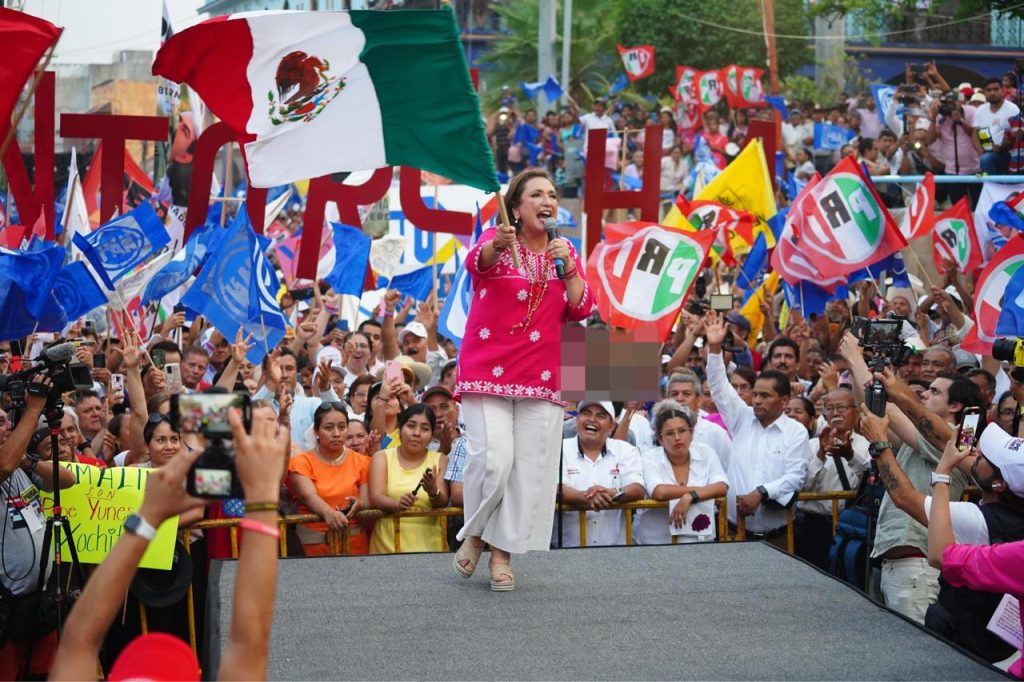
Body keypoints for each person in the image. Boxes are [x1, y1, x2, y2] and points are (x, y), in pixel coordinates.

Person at [49, 408, 292, 681]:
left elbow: (78, 642)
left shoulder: (198, 472)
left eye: (174, 439)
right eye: (161, 439)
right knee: (135, 630)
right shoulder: (130, 474)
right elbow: (247, 643)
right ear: (147, 446)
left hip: (183, 565)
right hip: (139, 574)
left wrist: (150, 519)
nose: (169, 445)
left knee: (183, 627)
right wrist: (263, 498)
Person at [453, 168, 595, 592]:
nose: (547, 201)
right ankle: (476, 532)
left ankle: (500, 555)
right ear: (515, 207)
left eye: (552, 194)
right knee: (494, 460)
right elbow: (476, 262)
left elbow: (582, 308)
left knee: (528, 470)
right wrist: (498, 244)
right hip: (487, 371)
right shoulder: (497, 241)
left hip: (543, 375)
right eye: (536, 194)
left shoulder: (565, 250)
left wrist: (569, 268)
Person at [705, 312, 808, 543]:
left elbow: (795, 477)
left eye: (765, 396)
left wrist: (762, 492)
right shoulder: (741, 418)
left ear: (784, 401)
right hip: (734, 532)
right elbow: (719, 386)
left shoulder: (796, 432)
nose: (757, 401)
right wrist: (714, 348)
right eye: (756, 395)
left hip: (778, 537)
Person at [928, 433, 1024, 679]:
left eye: (987, 458)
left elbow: (941, 555)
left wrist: (942, 473)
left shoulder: (1018, 556)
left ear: (999, 485)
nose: (978, 454)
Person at [0, 377, 76, 678]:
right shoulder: (6, 466)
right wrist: (34, 409)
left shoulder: (18, 467)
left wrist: (29, 463)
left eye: (6, 421)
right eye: (0, 422)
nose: (6, 427)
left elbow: (67, 480)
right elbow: (3, 466)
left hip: (37, 603)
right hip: (5, 608)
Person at [553, 401, 645, 547]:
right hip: (567, 550)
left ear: (611, 426)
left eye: (600, 416)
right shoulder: (559, 449)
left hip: (615, 550)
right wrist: (590, 497)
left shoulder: (626, 450)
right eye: (586, 413)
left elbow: (637, 488)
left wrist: (612, 493)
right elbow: (555, 488)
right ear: (577, 420)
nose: (592, 419)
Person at [796, 389, 870, 570]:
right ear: (823, 414)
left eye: (841, 407)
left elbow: (869, 480)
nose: (835, 413)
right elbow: (801, 487)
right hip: (814, 525)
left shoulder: (868, 445)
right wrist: (820, 455)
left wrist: (851, 456)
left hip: (852, 527)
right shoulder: (809, 446)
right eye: (829, 408)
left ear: (856, 411)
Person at [635, 404, 728, 545]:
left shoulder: (706, 452)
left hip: (699, 540)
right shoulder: (650, 458)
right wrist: (702, 491)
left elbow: (721, 486)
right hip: (657, 541)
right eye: (670, 433)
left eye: (682, 431)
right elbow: (659, 492)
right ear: (660, 439)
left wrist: (690, 497)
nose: (677, 438)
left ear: (691, 433)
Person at [288, 403, 370, 556]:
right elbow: (308, 495)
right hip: (313, 545)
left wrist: (361, 504)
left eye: (342, 427)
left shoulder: (362, 462)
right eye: (329, 428)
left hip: (355, 545)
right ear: (316, 431)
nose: (336, 433)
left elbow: (366, 501)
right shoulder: (301, 462)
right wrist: (328, 512)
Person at [369, 404, 449, 554]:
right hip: (386, 543)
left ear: (432, 435)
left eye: (425, 429)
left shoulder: (441, 460)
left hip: (429, 544)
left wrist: (433, 491)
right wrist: (396, 504)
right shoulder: (382, 457)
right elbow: (375, 496)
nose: (417, 433)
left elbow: (442, 501)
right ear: (400, 428)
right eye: (411, 426)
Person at [974, 77, 1021, 175]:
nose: (992, 93)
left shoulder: (1013, 109)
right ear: (984, 92)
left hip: (1008, 154)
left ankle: (991, 183)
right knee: (984, 160)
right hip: (986, 152)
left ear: (1002, 90)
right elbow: (974, 133)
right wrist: (980, 151)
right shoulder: (980, 110)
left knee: (986, 159)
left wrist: (1003, 146)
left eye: (995, 89)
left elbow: (1018, 135)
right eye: (989, 90)